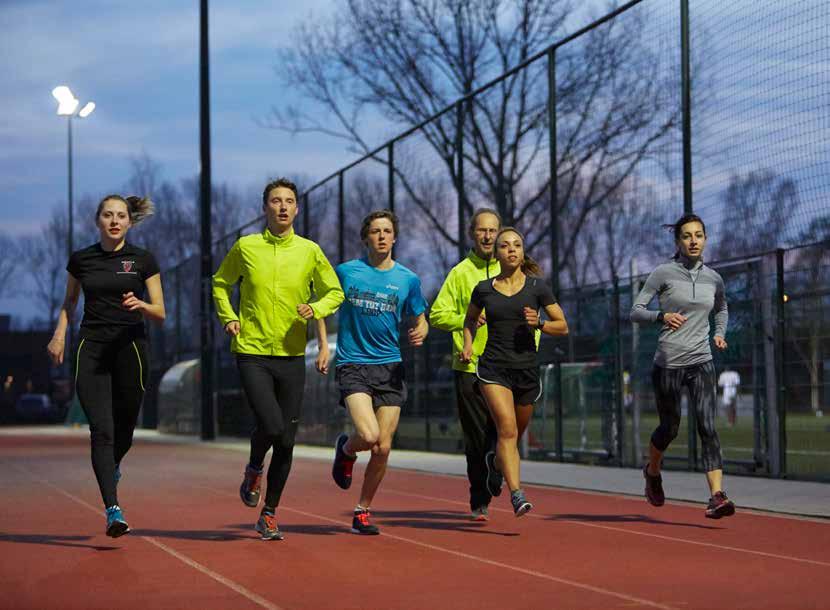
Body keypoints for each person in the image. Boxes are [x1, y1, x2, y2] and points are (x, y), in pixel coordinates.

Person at [212, 178, 344, 541]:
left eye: (289, 201)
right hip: (251, 350)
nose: (283, 207)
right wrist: (229, 317)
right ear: (265, 207)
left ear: (297, 209)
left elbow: (334, 291)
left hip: (291, 354)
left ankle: (269, 514)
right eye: (275, 201)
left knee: (287, 440)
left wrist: (315, 307)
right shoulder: (246, 247)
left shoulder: (309, 251)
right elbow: (220, 283)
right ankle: (254, 468)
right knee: (271, 425)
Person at [47, 194, 165, 537]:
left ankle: (112, 465)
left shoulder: (143, 260)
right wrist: (59, 334)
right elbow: (69, 302)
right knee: (101, 430)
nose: (114, 221)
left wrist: (141, 304)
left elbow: (160, 312)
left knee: (125, 427)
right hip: (92, 348)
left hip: (131, 348)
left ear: (130, 222)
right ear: (98, 220)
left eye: (121, 216)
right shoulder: (82, 260)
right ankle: (113, 509)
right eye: (108, 215)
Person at [330, 210, 428, 535]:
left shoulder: (407, 279)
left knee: (383, 447)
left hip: (390, 366)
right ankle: (346, 449)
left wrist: (421, 330)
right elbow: (321, 304)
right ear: (366, 237)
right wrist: (319, 342)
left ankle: (362, 510)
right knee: (368, 435)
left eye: (387, 231)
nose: (382, 236)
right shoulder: (346, 272)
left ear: (395, 237)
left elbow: (419, 316)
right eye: (375, 231)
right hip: (353, 363)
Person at [630, 213, 735, 519]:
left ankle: (716, 495)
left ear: (705, 239)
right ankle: (652, 472)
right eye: (687, 236)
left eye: (699, 235)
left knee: (707, 426)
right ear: (678, 241)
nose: (693, 241)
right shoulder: (662, 273)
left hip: (701, 360)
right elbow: (636, 311)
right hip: (668, 363)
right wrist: (661, 317)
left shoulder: (714, 278)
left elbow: (722, 307)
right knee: (670, 427)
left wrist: (718, 333)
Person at [460, 227, 568, 517]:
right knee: (506, 429)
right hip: (493, 368)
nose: (511, 250)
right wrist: (468, 344)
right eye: (505, 246)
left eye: (517, 245)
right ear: (497, 254)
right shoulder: (484, 289)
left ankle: (496, 464)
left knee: (514, 436)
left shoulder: (537, 288)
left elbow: (563, 326)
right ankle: (517, 495)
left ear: (522, 253)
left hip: (526, 372)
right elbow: (469, 320)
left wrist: (540, 323)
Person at [430, 208, 502, 521]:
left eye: (492, 231)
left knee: (505, 430)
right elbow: (437, 314)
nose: (488, 236)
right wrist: (467, 319)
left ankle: (496, 466)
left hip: (507, 366)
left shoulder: (512, 269)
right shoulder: (460, 273)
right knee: (476, 438)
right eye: (482, 231)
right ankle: (479, 498)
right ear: (472, 234)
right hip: (470, 367)